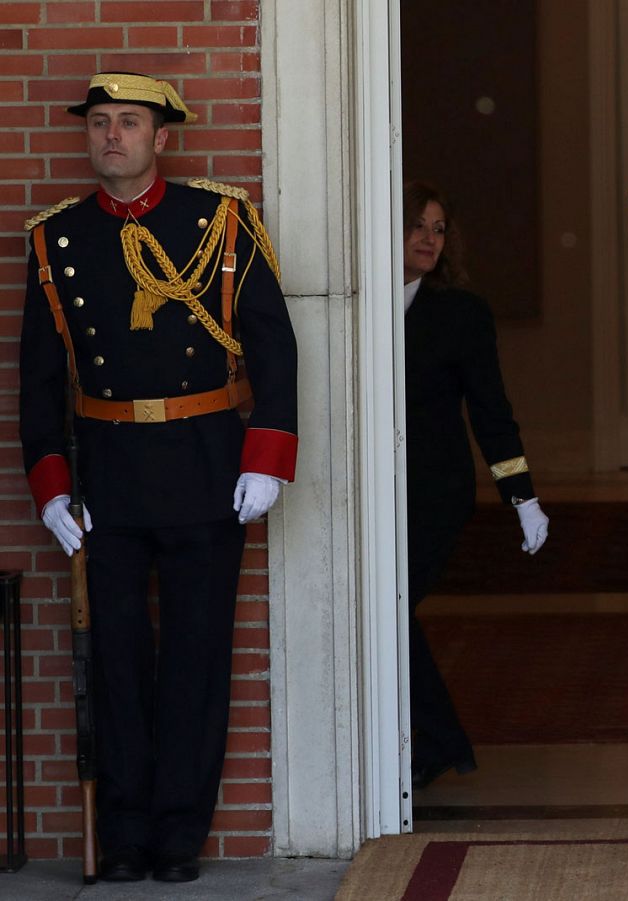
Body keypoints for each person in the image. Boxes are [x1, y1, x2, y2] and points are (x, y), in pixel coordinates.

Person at [19, 73, 299, 883]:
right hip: (106, 469)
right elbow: (39, 378)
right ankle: (126, 830)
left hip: (207, 460)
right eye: (100, 122)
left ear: (161, 138)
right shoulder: (57, 239)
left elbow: (271, 341)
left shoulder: (220, 220)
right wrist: (51, 483)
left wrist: (267, 455)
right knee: (114, 658)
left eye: (129, 123)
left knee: (196, 656)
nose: (112, 136)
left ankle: (179, 831)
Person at [400, 180, 550, 788]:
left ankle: (437, 745)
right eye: (416, 225)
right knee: (388, 613)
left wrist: (523, 499)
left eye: (438, 229)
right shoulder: (355, 305)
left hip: (435, 493)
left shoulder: (461, 313)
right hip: (369, 491)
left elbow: (492, 412)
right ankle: (435, 745)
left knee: (390, 608)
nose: (428, 239)